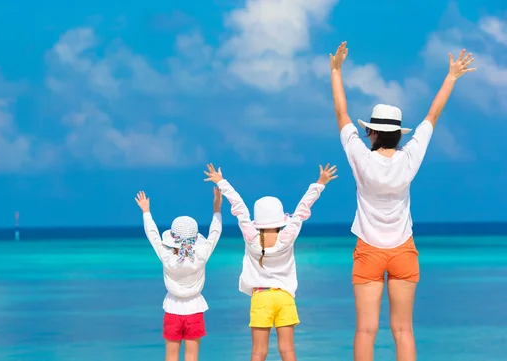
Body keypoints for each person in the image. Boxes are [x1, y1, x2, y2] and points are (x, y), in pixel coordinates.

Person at [328, 41, 475, 361]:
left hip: (368, 250)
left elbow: (341, 114)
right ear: (396, 133)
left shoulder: (360, 160)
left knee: (366, 331)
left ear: (373, 133)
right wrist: (451, 77)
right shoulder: (410, 157)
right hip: (403, 251)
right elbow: (432, 116)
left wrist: (336, 71)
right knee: (404, 330)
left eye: (368, 131)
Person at [203, 163, 337, 361]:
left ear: (259, 221)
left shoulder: (251, 237)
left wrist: (221, 182)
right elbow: (302, 209)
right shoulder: (287, 236)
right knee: (288, 350)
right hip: (285, 297)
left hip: (261, 297)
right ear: (279, 220)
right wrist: (320, 183)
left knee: (258, 352)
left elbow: (239, 208)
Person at [135, 188, 223, 361]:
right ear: (194, 238)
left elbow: (152, 235)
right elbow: (215, 232)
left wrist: (146, 211)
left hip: (172, 310)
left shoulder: (167, 256)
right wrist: (217, 207)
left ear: (173, 238)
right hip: (195, 310)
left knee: (171, 356)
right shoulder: (201, 254)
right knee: (192, 357)